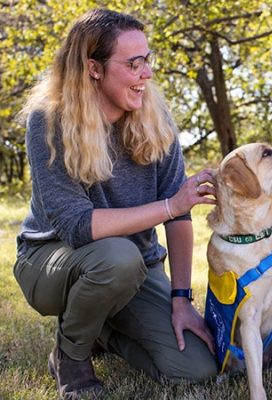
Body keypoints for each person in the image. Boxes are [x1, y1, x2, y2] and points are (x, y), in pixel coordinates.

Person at [13, 8, 218, 399]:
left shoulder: (157, 120)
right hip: (52, 262)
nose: (147, 74)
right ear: (94, 68)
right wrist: (170, 206)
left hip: (134, 269)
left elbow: (180, 219)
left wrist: (180, 299)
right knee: (117, 258)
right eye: (134, 63)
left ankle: (100, 331)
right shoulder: (49, 121)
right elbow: (76, 226)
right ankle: (70, 357)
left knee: (194, 367)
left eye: (148, 60)